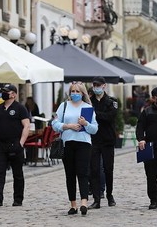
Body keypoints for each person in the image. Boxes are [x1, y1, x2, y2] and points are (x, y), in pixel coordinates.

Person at [52, 81, 98, 215]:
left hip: (83, 142)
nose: (75, 94)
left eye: (78, 91)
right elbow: (55, 123)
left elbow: (94, 129)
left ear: (82, 93)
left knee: (83, 173)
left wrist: (86, 124)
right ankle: (73, 204)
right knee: (70, 174)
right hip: (68, 143)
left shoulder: (88, 107)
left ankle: (84, 202)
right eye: (73, 91)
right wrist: (68, 126)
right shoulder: (64, 106)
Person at [0, 84, 30, 207]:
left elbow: (26, 125)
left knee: (18, 174)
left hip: (15, 144)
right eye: (3, 91)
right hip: (1, 145)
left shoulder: (20, 108)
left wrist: (21, 143)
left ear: (13, 94)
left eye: (6, 92)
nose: (4, 93)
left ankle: (18, 199)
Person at [88, 76, 117, 210]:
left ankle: (109, 195)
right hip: (94, 139)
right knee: (94, 170)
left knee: (108, 168)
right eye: (95, 85)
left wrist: (95, 114)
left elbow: (110, 117)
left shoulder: (111, 101)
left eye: (98, 85)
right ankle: (96, 199)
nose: (96, 87)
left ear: (104, 86)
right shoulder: (89, 102)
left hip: (107, 140)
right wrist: (97, 115)